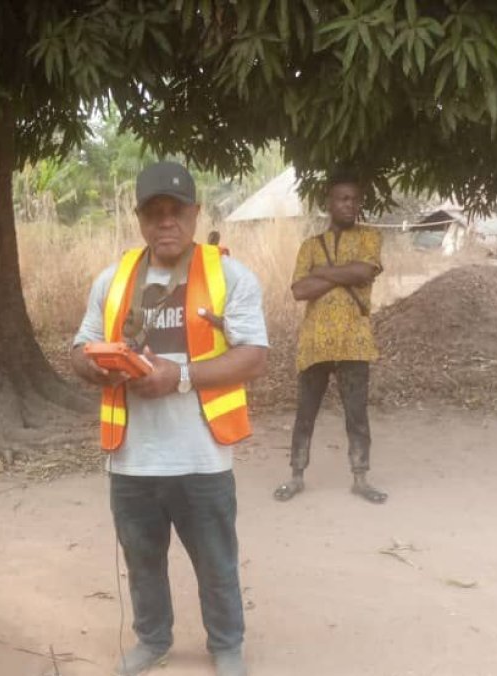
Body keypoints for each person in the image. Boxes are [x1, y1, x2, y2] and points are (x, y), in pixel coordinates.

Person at [71, 161, 269, 676]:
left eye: (176, 211)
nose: (166, 222)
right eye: (153, 212)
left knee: (216, 563)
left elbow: (253, 356)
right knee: (142, 564)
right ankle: (153, 639)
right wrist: (99, 369)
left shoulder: (229, 275)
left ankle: (226, 645)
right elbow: (78, 349)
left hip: (201, 456)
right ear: (139, 218)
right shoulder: (111, 281)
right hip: (133, 460)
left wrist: (177, 377)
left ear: (195, 213)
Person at [273, 170, 388, 504]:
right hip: (315, 343)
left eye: (355, 199)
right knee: (305, 412)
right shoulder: (310, 245)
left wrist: (321, 272)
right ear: (330, 203)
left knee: (357, 414)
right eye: (343, 198)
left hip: (355, 340)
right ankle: (296, 476)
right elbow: (299, 290)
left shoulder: (370, 237)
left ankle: (361, 478)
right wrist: (344, 274)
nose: (350, 205)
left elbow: (365, 271)